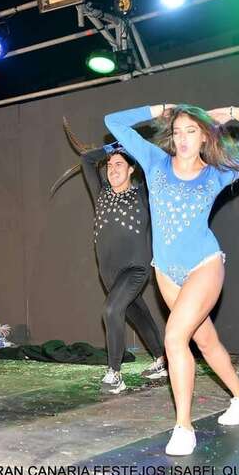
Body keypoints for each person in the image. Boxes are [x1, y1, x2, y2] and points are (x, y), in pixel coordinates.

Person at [104, 103, 239, 455]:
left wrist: (236, 113)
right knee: (205, 341)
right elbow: (112, 120)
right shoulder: (154, 161)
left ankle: (183, 427)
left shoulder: (217, 172)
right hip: (166, 271)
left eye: (191, 131)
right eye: (178, 132)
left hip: (204, 265)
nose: (183, 139)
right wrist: (160, 109)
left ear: (204, 136)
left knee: (174, 338)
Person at [77, 141, 167, 394]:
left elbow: (154, 164)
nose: (112, 169)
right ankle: (162, 360)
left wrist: (130, 144)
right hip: (108, 275)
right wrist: (111, 148)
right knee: (137, 313)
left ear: (131, 170)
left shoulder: (142, 194)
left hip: (136, 269)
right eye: (109, 166)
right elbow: (86, 160)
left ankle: (114, 374)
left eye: (119, 164)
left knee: (111, 309)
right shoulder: (101, 193)